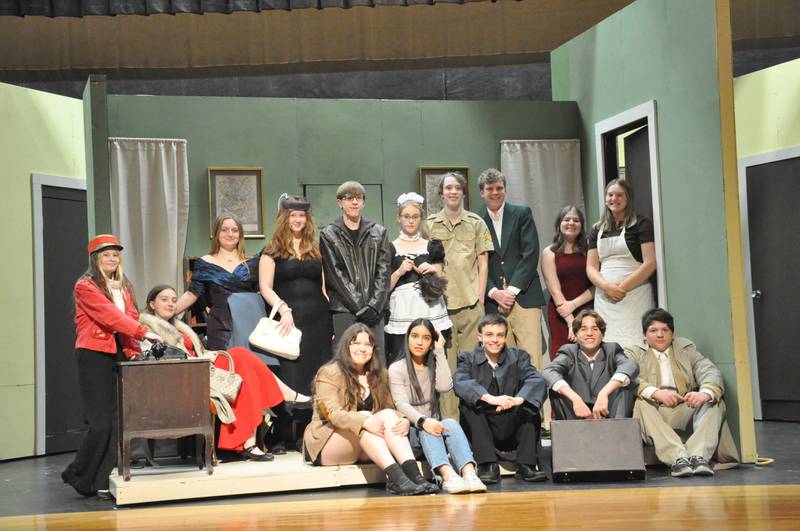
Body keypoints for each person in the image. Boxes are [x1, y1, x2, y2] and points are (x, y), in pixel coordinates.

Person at [140, 285, 312, 460]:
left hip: (201, 368)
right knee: (241, 356)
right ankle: (286, 397)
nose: (170, 304)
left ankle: (249, 442)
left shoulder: (179, 326)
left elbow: (194, 351)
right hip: (184, 378)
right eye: (164, 300)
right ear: (152, 304)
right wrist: (198, 360)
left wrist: (206, 354)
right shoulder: (146, 327)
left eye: (174, 300)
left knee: (244, 368)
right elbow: (157, 360)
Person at [62, 235, 163, 498]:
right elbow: (110, 316)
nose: (111, 258)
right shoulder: (86, 286)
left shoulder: (125, 287)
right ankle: (78, 473)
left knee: (116, 421)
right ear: (96, 259)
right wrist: (144, 332)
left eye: (115, 254)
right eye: (106, 254)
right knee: (100, 423)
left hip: (117, 352)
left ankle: (99, 480)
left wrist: (132, 350)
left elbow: (127, 317)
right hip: (94, 353)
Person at [303, 323, 437, 495]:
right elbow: (333, 414)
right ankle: (398, 479)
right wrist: (365, 420)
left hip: (367, 446)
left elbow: (390, 408)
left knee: (389, 415)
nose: (362, 348)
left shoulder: (379, 374)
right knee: (364, 417)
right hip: (329, 444)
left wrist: (402, 420)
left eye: (367, 344)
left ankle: (415, 477)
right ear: (346, 346)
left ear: (373, 349)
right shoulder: (329, 372)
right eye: (356, 343)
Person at [627, 308, 739, 477]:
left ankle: (698, 457)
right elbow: (630, 378)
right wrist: (656, 393)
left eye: (665, 330)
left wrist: (704, 393)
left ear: (672, 333)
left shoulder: (685, 349)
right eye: (653, 330)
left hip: (683, 407)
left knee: (713, 399)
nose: (660, 335)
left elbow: (709, 370)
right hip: (655, 412)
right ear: (644, 335)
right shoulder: (634, 353)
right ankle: (677, 459)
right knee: (641, 403)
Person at [388, 318, 486, 494]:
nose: (419, 342)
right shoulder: (397, 368)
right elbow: (400, 403)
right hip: (409, 432)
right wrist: (423, 421)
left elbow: (444, 386)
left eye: (426, 338)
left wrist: (440, 351)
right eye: (415, 336)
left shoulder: (433, 365)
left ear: (431, 342)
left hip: (433, 430)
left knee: (450, 423)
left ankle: (469, 473)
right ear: (407, 338)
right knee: (429, 428)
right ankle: (447, 476)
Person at [427, 172, 494, 419]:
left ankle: (474, 425)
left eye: (457, 187)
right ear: (441, 193)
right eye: (448, 188)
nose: (453, 192)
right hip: (441, 305)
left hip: (470, 305)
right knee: (445, 368)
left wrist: (479, 297)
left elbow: (483, 263)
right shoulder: (430, 224)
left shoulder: (476, 223)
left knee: (473, 367)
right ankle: (450, 425)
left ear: (463, 192)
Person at [453, 314, 547, 484]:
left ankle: (527, 464)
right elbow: (460, 382)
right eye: (489, 335)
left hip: (512, 422)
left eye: (500, 335)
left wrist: (518, 400)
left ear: (505, 337)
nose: (495, 340)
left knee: (529, 403)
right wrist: (490, 399)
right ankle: (487, 464)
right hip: (483, 427)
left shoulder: (518, 356)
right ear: (480, 337)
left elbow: (536, 379)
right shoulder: (468, 358)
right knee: (469, 406)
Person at [259, 194, 333, 396]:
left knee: (319, 374)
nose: (298, 220)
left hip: (318, 323)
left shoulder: (316, 250)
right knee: (292, 375)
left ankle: (316, 422)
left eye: (302, 215)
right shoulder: (272, 250)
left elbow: (323, 289)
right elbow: (265, 287)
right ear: (285, 218)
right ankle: (289, 424)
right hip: (288, 322)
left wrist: (331, 322)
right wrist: (284, 310)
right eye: (293, 215)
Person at [478, 168, 546, 371]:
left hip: (524, 297)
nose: (495, 192)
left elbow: (531, 253)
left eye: (499, 188)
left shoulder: (521, 213)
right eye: (490, 189)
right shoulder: (475, 221)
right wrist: (494, 293)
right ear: (482, 192)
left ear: (505, 190)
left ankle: (534, 404)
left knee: (531, 360)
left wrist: (511, 291)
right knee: (503, 364)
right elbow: (476, 263)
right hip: (494, 302)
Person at [319, 181, 391, 359]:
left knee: (376, 362)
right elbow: (335, 275)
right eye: (349, 198)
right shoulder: (329, 234)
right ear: (340, 203)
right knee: (346, 362)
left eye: (358, 198)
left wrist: (374, 307)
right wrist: (361, 307)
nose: (354, 202)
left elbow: (383, 273)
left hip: (375, 311)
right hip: (345, 310)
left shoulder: (378, 232)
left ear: (364, 202)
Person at [587, 178, 656, 349]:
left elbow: (650, 263)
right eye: (610, 195)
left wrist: (621, 288)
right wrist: (607, 287)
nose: (614, 199)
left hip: (635, 295)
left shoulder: (641, 224)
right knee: (606, 343)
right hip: (604, 298)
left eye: (619, 195)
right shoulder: (597, 228)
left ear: (628, 198)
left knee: (636, 343)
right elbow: (591, 267)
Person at [175, 216, 261, 350]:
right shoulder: (205, 263)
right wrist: (167, 313)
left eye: (235, 230)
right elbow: (192, 294)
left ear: (240, 235)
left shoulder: (252, 264)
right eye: (224, 230)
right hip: (220, 327)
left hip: (248, 325)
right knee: (224, 367)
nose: (230, 234)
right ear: (217, 234)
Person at [384, 192, 452, 359]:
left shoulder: (431, 246)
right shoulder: (390, 248)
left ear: (421, 219)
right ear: (398, 218)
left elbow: (441, 282)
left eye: (415, 216)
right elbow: (385, 286)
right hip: (403, 309)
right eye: (406, 216)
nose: (411, 220)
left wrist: (432, 270)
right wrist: (399, 272)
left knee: (431, 355)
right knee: (402, 355)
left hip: (429, 307)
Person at [542, 310, 637, 420]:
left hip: (608, 410)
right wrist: (575, 399)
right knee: (556, 388)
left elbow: (630, 366)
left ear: (603, 335)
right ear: (576, 334)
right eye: (583, 329)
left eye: (595, 329)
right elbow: (549, 372)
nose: (589, 333)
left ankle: (618, 431)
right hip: (576, 413)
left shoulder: (612, 349)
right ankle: (570, 434)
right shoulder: (569, 352)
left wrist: (604, 393)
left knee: (626, 385)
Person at [541, 205, 594, 359]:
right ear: (559, 224)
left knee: (589, 355)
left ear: (581, 226)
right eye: (567, 219)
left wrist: (574, 305)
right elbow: (554, 290)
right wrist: (571, 322)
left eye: (576, 220)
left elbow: (596, 285)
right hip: (560, 312)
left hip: (588, 308)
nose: (571, 223)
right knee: (563, 356)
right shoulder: (549, 253)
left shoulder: (590, 250)